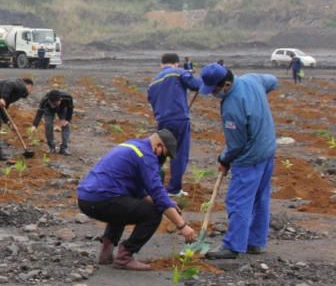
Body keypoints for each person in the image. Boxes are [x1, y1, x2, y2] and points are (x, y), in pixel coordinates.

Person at [76, 130, 195, 270]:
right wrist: (182, 226)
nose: (164, 159)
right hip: (102, 199)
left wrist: (168, 204)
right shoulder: (146, 156)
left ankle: (106, 253)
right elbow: (157, 192)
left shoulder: (133, 145)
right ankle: (124, 257)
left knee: (124, 206)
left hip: (86, 199)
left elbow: (141, 192)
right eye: (166, 154)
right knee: (153, 213)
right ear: (158, 146)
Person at [199, 64, 278, 260]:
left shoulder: (232, 105)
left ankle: (233, 246)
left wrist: (223, 159)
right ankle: (254, 242)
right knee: (260, 198)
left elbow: (236, 144)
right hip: (267, 150)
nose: (212, 94)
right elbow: (273, 81)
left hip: (250, 157)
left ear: (227, 84)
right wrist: (257, 96)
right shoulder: (253, 79)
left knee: (238, 201)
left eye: (215, 90)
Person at [147, 53, 203, 197]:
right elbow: (196, 86)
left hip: (162, 121)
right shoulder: (178, 72)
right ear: (176, 64)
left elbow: (151, 100)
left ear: (161, 64)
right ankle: (174, 189)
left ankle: (151, 186)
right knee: (179, 154)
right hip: (179, 119)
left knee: (159, 153)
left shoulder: (153, 82)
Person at [31, 89, 75, 155]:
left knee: (65, 125)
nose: (54, 105)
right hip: (49, 110)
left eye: (56, 103)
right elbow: (40, 112)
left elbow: (70, 108)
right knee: (48, 125)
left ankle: (64, 148)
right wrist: (35, 125)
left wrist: (67, 119)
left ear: (60, 99)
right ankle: (52, 147)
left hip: (62, 108)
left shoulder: (67, 97)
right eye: (53, 103)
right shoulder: (45, 100)